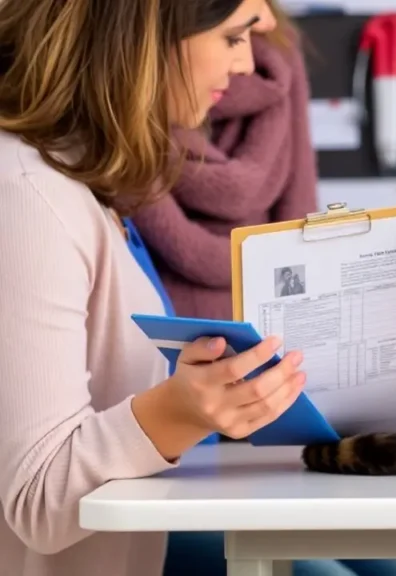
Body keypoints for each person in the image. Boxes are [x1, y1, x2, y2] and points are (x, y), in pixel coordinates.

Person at [0, 1, 317, 575]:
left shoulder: (82, 179)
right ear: (148, 38)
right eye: (232, 37)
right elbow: (37, 498)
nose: (247, 65)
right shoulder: (27, 198)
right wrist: (181, 410)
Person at [131, 0, 318, 321]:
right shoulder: (104, 137)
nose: (243, 64)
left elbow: (299, 217)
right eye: (232, 38)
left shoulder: (279, 55)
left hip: (268, 344)